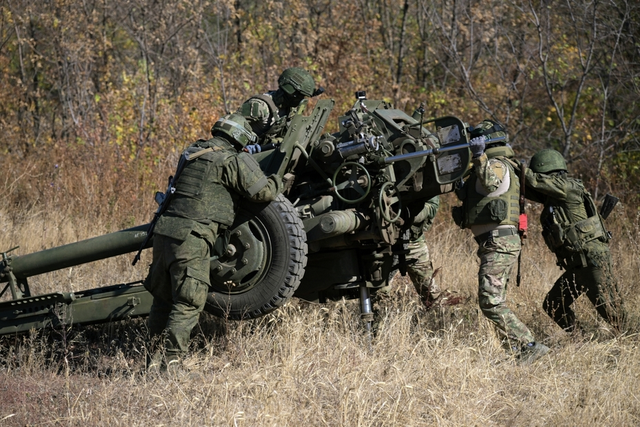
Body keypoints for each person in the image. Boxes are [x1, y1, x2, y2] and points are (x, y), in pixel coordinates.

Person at [144, 113, 282, 370]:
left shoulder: (192, 151)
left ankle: (152, 361)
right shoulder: (232, 160)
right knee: (188, 300)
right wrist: (280, 179)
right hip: (192, 238)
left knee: (163, 298)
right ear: (241, 139)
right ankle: (171, 365)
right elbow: (265, 192)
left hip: (164, 234)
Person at [452, 119, 549, 363]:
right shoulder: (488, 165)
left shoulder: (496, 164)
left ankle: (529, 344)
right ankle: (516, 353)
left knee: (489, 302)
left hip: (499, 242)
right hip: (494, 243)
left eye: (477, 140)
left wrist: (479, 156)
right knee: (496, 301)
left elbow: (491, 183)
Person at [524, 149, 627, 334]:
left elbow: (532, 180)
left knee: (611, 311)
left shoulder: (567, 187)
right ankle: (581, 339)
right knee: (553, 304)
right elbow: (529, 186)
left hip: (591, 259)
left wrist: (511, 164)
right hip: (577, 263)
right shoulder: (554, 195)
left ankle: (632, 341)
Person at [391, 197, 466, 310]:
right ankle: (377, 325)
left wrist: (406, 213)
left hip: (414, 243)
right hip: (383, 244)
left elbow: (431, 207)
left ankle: (441, 320)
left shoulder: (422, 183)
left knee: (430, 291)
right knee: (379, 291)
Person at [235, 67, 322, 153]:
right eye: (300, 96)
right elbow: (230, 127)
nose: (301, 99)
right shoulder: (260, 106)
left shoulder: (290, 110)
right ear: (291, 92)